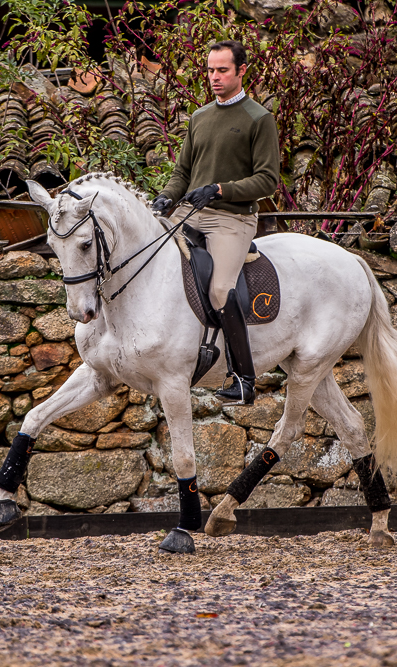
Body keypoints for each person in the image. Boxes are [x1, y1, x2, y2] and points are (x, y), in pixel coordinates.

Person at [151, 39, 281, 406]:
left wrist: (220, 189)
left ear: (241, 71)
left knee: (221, 289)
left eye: (222, 70)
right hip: (191, 212)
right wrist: (167, 196)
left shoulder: (259, 119)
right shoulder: (199, 117)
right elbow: (182, 173)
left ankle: (243, 378)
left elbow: (268, 180)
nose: (214, 77)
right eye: (210, 70)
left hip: (232, 219)